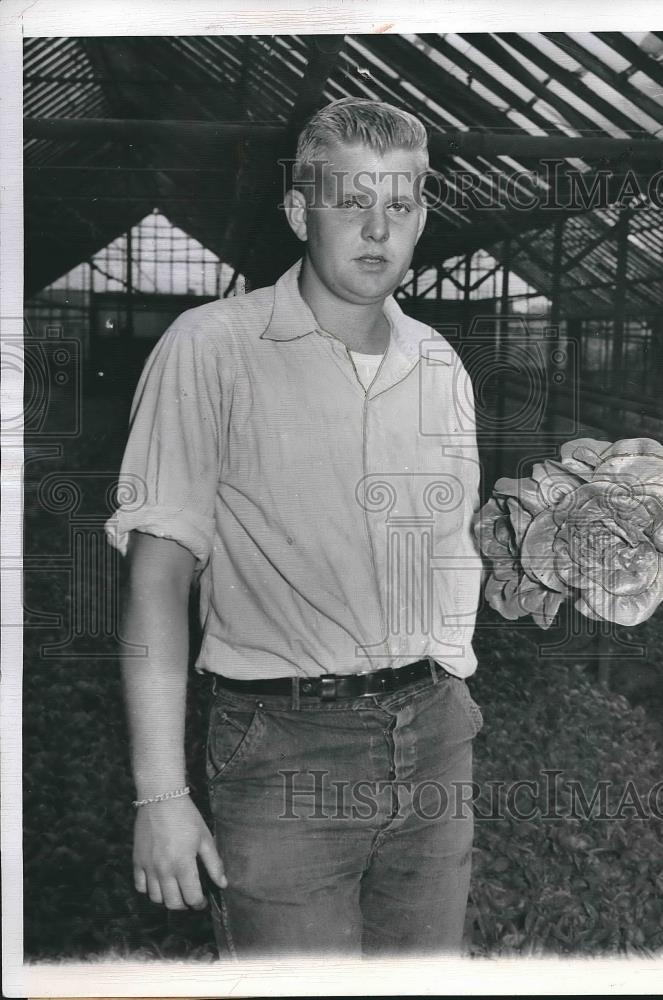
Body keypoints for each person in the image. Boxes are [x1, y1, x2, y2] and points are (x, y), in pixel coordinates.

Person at [105, 97, 485, 958]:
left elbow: (447, 551)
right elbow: (158, 577)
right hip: (284, 749)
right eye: (351, 200)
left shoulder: (440, 365)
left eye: (400, 203)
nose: (377, 228)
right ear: (298, 209)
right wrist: (160, 794)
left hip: (435, 737)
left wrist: (550, 556)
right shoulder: (213, 347)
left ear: (423, 213)